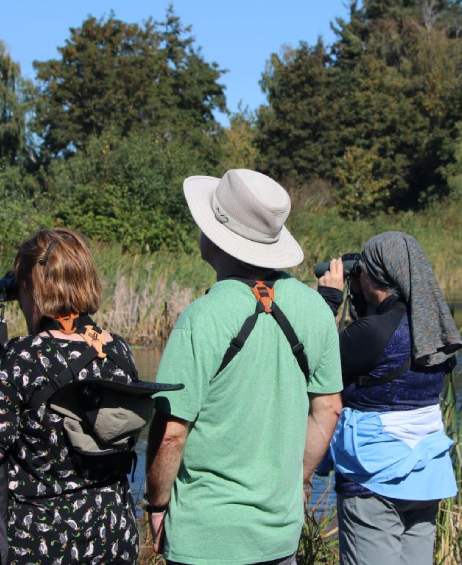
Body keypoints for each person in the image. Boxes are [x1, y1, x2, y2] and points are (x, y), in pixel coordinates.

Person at [145, 169, 343, 565]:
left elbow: (170, 435)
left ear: (217, 237)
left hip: (206, 536)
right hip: (279, 534)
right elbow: (329, 410)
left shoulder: (200, 318)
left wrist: (156, 504)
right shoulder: (317, 311)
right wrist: (297, 480)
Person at [0, 228, 148, 564]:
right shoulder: (116, 349)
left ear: (31, 286)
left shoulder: (23, 356)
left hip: (46, 537)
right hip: (113, 532)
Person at [317, 231, 462, 565]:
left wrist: (329, 300)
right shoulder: (435, 330)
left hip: (373, 478)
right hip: (425, 477)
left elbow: (313, 365)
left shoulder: (371, 333)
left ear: (371, 275)